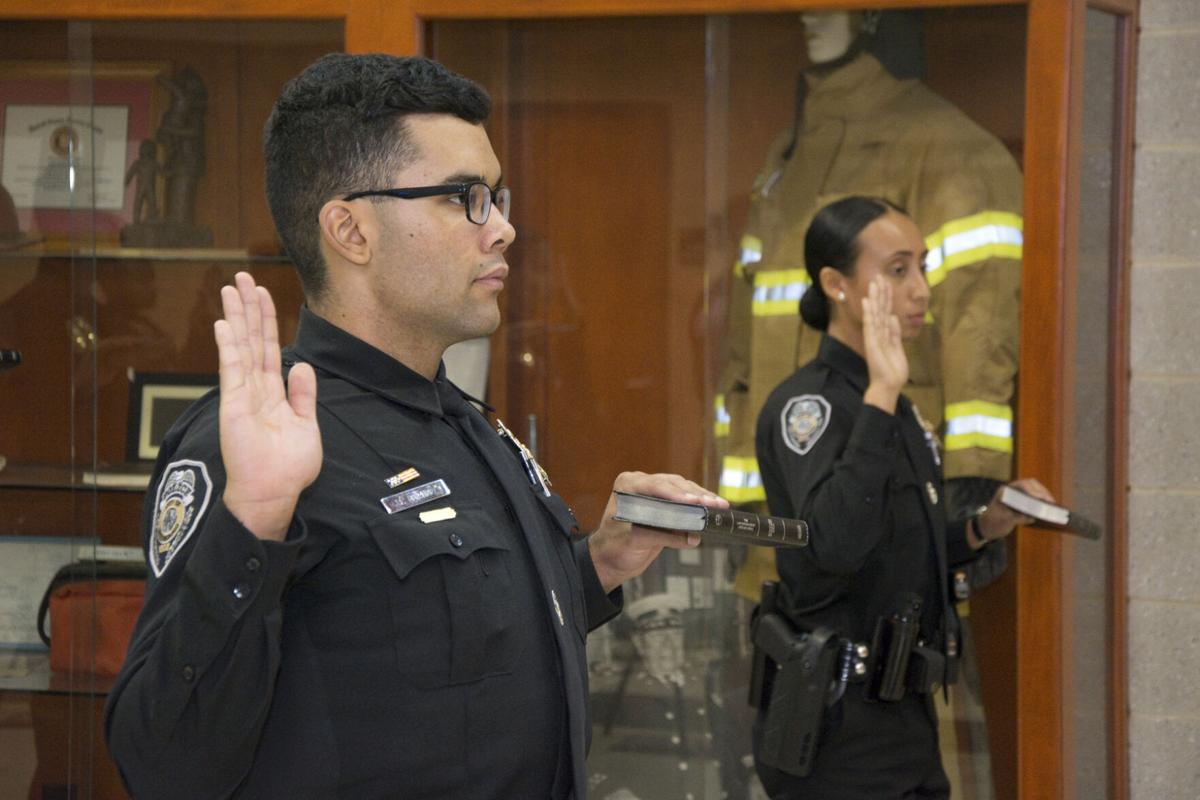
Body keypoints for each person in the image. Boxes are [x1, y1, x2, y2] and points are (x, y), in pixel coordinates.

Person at [103, 52, 726, 799]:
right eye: (465, 198)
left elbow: (458, 641)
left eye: (496, 197)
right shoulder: (259, 444)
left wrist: (601, 563)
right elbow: (161, 764)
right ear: (350, 231)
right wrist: (254, 522)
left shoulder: (465, 423)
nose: (502, 229)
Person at [751, 196, 1052, 799]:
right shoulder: (808, 406)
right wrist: (883, 392)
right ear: (836, 284)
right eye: (897, 270)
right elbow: (834, 545)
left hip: (906, 722)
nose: (921, 289)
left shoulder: (900, 408)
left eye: (922, 266)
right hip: (835, 728)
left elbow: (898, 545)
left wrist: (982, 527)